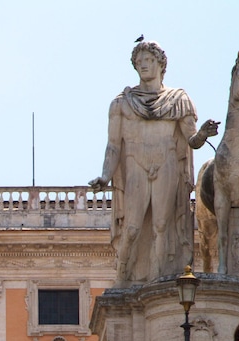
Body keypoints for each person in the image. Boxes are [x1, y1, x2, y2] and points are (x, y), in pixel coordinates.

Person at [88, 40, 219, 285]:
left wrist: (202, 134)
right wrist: (105, 176)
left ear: (160, 64)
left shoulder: (179, 100)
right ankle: (122, 279)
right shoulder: (121, 103)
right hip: (136, 164)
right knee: (133, 227)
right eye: (138, 62)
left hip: (167, 164)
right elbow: (113, 145)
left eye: (148, 60)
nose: (143, 66)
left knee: (162, 225)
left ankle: (159, 281)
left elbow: (191, 140)